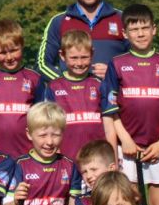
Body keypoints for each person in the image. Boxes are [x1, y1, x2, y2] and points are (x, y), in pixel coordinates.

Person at [101, 4, 159, 205]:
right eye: (134, 29)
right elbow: (111, 109)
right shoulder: (117, 64)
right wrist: (125, 139)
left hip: (158, 148)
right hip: (128, 150)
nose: (140, 33)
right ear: (124, 33)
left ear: (154, 29)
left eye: (145, 27)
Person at [37, 0, 127, 80]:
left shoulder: (122, 19)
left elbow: (141, 62)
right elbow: (42, 65)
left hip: (112, 98)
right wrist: (67, 84)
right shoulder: (58, 22)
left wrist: (115, 73)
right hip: (70, 99)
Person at [0, 19, 47, 159]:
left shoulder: (34, 78)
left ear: (22, 45)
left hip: (27, 155)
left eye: (14, 50)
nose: (9, 57)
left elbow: (42, 119)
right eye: (2, 52)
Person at [46, 30, 112, 163]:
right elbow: (50, 125)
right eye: (74, 58)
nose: (80, 63)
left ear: (92, 54)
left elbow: (110, 126)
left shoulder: (101, 84)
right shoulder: (53, 87)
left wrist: (113, 158)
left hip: (98, 159)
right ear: (62, 56)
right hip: (66, 158)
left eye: (84, 57)